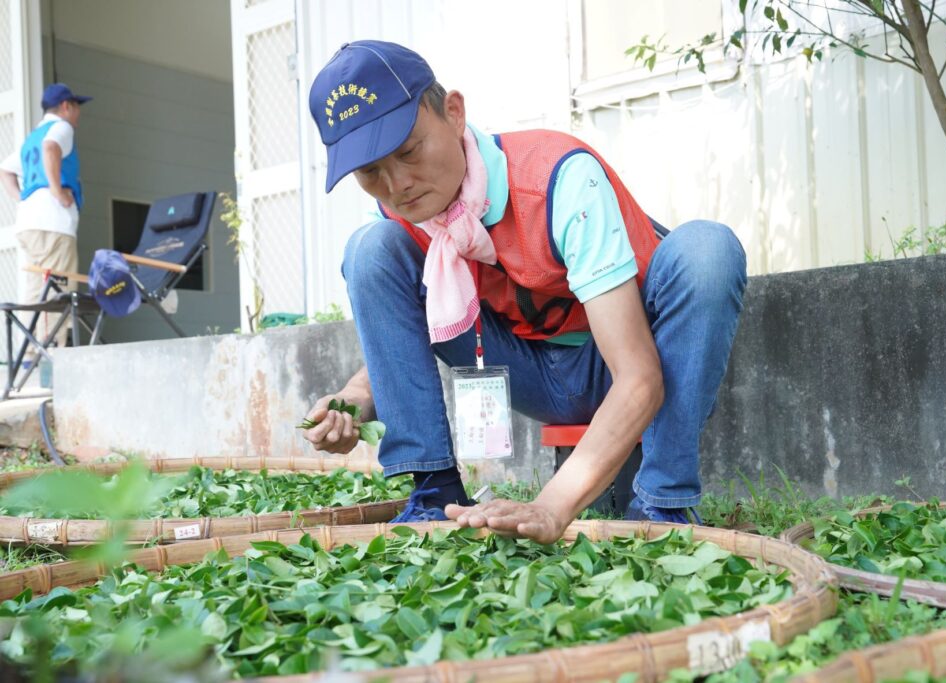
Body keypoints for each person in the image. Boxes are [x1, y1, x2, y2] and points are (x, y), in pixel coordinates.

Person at [301, 41, 747, 543]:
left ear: (453, 113)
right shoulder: (408, 215)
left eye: (408, 151)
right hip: (530, 370)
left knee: (708, 249)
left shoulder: (561, 180)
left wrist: (552, 507)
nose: (398, 184)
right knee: (370, 248)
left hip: (626, 359)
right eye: (371, 172)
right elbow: (422, 318)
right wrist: (357, 396)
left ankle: (661, 506)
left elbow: (639, 376)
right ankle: (431, 496)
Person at [0, 83, 91, 354]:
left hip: (29, 224)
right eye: (77, 107)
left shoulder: (33, 138)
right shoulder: (61, 129)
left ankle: (28, 358)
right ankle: (53, 361)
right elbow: (52, 149)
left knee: (34, 292)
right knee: (57, 290)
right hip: (53, 225)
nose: (78, 114)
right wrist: (57, 191)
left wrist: (22, 198)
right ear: (66, 106)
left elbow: (5, 169)